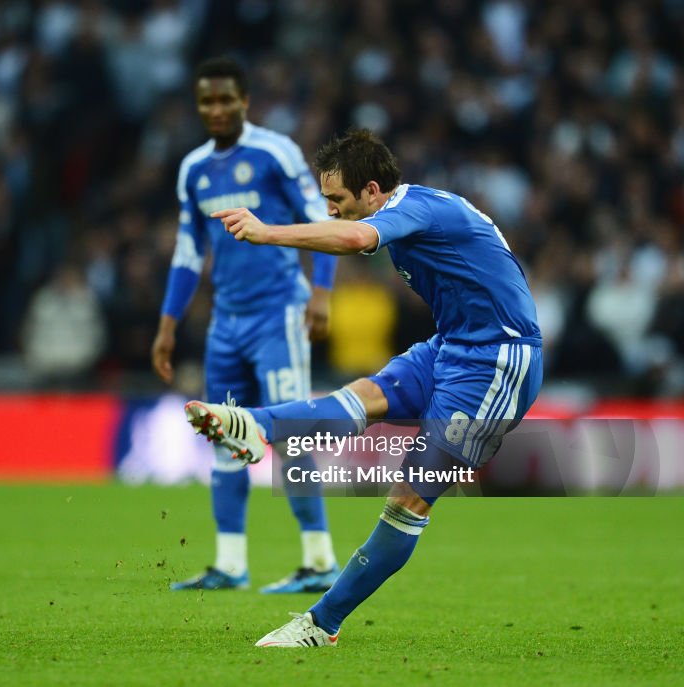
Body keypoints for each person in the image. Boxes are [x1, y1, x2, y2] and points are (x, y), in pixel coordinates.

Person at [187, 128, 543, 646]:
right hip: (453, 346)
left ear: (372, 191)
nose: (331, 211)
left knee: (408, 500)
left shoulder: (415, 209)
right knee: (363, 396)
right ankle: (254, 427)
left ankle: (320, 624)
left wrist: (269, 233)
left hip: (497, 360)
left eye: (337, 200)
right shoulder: (414, 210)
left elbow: (356, 240)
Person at [152, 56, 342, 593]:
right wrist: (168, 325)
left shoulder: (275, 151)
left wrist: (321, 291)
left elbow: (320, 218)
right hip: (226, 325)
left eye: (224, 99)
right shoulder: (194, 169)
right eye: (205, 101)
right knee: (224, 436)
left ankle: (320, 559)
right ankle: (231, 564)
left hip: (279, 314)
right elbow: (189, 252)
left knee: (294, 435)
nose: (215, 109)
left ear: (245, 101)